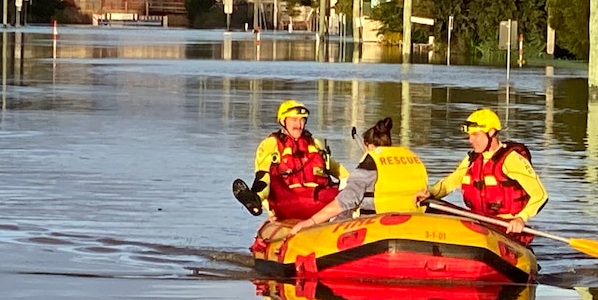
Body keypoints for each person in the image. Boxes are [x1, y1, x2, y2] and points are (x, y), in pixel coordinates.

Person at [425, 108, 548, 244]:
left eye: (476, 135)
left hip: (506, 229)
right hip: (478, 223)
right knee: (432, 206)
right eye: (470, 135)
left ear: (491, 133)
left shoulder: (511, 159)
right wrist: (429, 193)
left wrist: (521, 218)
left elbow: (540, 195)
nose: (470, 140)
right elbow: (451, 182)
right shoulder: (472, 160)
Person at [289, 117, 429, 235]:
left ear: (368, 146)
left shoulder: (370, 164)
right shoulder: (409, 159)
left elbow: (345, 201)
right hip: (412, 225)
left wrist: (310, 222)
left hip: (377, 229)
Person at [233, 99, 349, 221]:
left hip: (319, 200)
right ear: (283, 121)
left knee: (349, 192)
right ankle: (253, 200)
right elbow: (263, 178)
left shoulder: (315, 145)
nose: (299, 125)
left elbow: (340, 172)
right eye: (294, 120)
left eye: (302, 120)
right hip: (288, 202)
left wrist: (357, 184)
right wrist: (261, 201)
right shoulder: (271, 144)